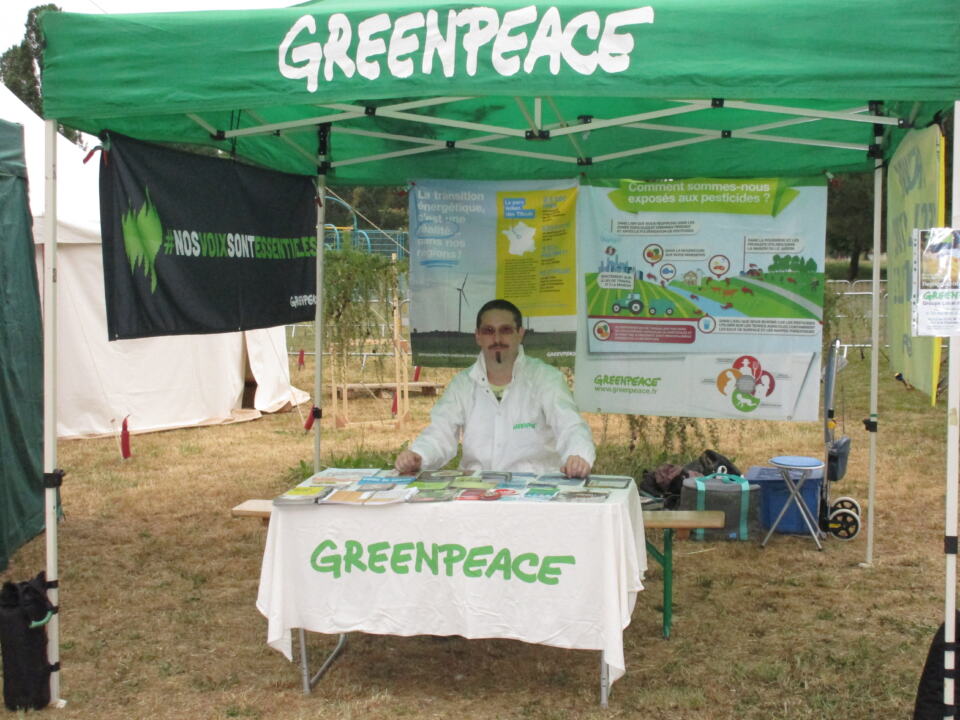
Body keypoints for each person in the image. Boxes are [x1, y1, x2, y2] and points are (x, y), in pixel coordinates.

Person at [395, 299, 595, 477]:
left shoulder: (546, 379)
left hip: (534, 493)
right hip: (476, 493)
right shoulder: (462, 385)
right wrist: (418, 455)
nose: (497, 339)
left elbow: (570, 426)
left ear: (520, 334)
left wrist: (578, 456)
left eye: (506, 330)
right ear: (478, 337)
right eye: (489, 331)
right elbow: (440, 432)